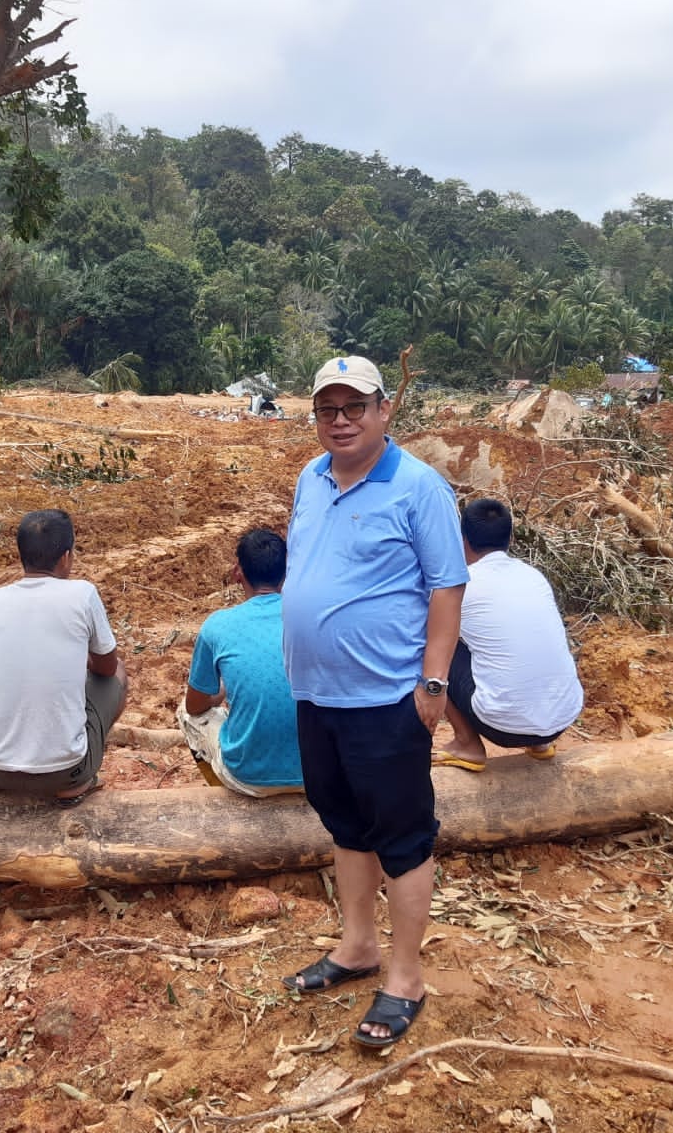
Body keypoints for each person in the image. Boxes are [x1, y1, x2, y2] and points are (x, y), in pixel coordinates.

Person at [279, 355, 465, 1050]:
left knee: (402, 836)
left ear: (384, 410)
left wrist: (434, 682)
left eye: (354, 407)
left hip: (385, 696)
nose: (340, 420)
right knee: (345, 825)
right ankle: (356, 946)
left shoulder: (417, 487)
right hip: (316, 692)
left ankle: (405, 977)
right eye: (327, 408)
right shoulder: (310, 475)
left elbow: (446, 588)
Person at [0, 509, 125, 805]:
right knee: (118, 673)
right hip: (64, 772)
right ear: (66, 557)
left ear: (22, 555)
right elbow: (106, 666)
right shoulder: (83, 594)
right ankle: (79, 779)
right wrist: (80, 659)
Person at [434, 498, 584, 771]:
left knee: (431, 645)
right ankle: (540, 745)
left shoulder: (461, 585)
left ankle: (467, 743)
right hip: (562, 720)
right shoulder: (533, 576)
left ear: (462, 539)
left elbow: (438, 640)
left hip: (502, 727)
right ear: (510, 537)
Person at [179, 528, 303, 797]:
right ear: (287, 570)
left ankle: (222, 791)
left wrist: (220, 694)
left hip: (248, 778)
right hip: (318, 775)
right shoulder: (311, 618)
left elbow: (195, 706)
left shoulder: (217, 626)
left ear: (238, 572)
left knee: (185, 714)